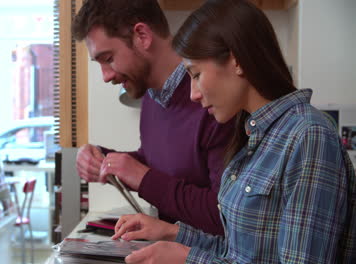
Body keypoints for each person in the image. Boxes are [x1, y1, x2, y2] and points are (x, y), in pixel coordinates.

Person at [112, 0, 356, 263]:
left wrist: (188, 259)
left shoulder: (308, 138)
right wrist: (172, 233)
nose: (193, 94)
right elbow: (239, 252)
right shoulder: (254, 136)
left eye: (196, 74)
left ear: (236, 61)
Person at [71, 0, 233, 235]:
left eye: (108, 59)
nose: (105, 77)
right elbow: (163, 165)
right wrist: (102, 159)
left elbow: (224, 215)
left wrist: (143, 178)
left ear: (142, 36)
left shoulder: (212, 100)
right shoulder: (151, 97)